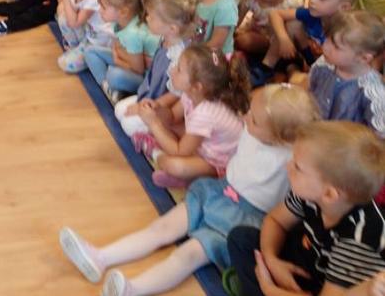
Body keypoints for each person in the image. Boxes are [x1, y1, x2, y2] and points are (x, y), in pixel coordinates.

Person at [61, 84, 320, 296]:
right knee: (162, 228)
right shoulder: (255, 130)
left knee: (189, 254)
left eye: (252, 118)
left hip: (242, 218)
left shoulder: (292, 160)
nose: (244, 117)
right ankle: (100, 257)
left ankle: (133, 289)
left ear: (279, 136)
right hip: (219, 193)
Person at [227, 121, 385, 296]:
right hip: (303, 258)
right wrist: (271, 260)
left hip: (323, 286)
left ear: (329, 194)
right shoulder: (310, 193)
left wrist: (270, 289)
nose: (288, 166)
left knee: (258, 275)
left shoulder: (357, 240)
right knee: (240, 239)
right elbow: (275, 220)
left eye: (297, 167)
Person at [134, 45, 248, 189]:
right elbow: (172, 117)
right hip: (204, 145)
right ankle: (185, 176)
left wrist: (153, 124)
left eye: (179, 69)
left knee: (174, 165)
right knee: (163, 128)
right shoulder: (191, 94)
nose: (172, 70)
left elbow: (179, 151)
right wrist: (157, 109)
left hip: (219, 162)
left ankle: (156, 153)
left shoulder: (206, 112)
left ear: (197, 86)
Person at [253, 0, 360, 85]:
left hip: (326, 68)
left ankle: (292, 68)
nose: (312, 0)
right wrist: (284, 39)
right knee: (292, 24)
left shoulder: (348, 31)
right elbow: (275, 14)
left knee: (298, 81)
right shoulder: (311, 12)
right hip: (309, 56)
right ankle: (266, 68)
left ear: (343, 7)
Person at [115, 0, 196, 137]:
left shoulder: (180, 55)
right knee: (120, 110)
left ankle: (158, 136)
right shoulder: (165, 39)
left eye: (152, 17)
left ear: (172, 28)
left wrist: (146, 107)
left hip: (162, 106)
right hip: (150, 94)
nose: (147, 18)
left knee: (128, 124)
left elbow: (176, 94)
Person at [297, 10, 385, 134]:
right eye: (327, 39)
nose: (325, 47)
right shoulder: (323, 64)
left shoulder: (373, 92)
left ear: (364, 58)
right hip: (313, 132)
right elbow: (308, 90)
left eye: (336, 47)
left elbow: (378, 136)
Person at [87, 0, 158, 99]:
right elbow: (118, 47)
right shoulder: (119, 23)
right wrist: (118, 53)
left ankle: (114, 87)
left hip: (146, 78)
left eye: (103, 8)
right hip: (131, 62)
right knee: (90, 51)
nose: (99, 11)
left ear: (123, 12)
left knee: (114, 74)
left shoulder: (133, 34)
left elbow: (138, 70)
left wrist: (117, 59)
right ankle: (107, 86)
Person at [57, 0, 114, 74]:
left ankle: (97, 58)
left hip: (101, 43)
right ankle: (76, 49)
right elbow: (68, 14)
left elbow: (74, 23)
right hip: (88, 35)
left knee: (64, 63)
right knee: (62, 18)